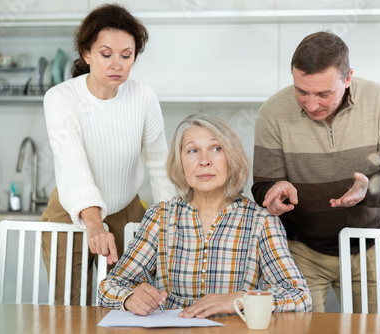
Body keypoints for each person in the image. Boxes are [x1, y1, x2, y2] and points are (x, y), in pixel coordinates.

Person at [252, 31, 380, 313]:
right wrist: (273, 192)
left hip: (368, 248)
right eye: (301, 91)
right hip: (301, 253)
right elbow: (263, 185)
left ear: (348, 78)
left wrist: (369, 190)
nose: (312, 104)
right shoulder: (272, 112)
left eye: (323, 94)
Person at [99, 113, 312, 317]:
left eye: (216, 149)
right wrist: (129, 298)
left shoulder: (262, 221)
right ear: (180, 162)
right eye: (192, 151)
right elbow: (110, 287)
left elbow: (299, 296)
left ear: (232, 157)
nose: (204, 161)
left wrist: (241, 299)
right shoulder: (160, 216)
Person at [42, 3, 175, 305]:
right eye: (106, 54)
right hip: (71, 211)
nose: (117, 64)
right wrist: (93, 224)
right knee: (70, 305)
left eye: (126, 55)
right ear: (86, 54)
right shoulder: (61, 98)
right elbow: (72, 161)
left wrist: (169, 221)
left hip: (127, 210)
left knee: (131, 302)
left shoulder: (143, 97)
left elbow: (158, 163)